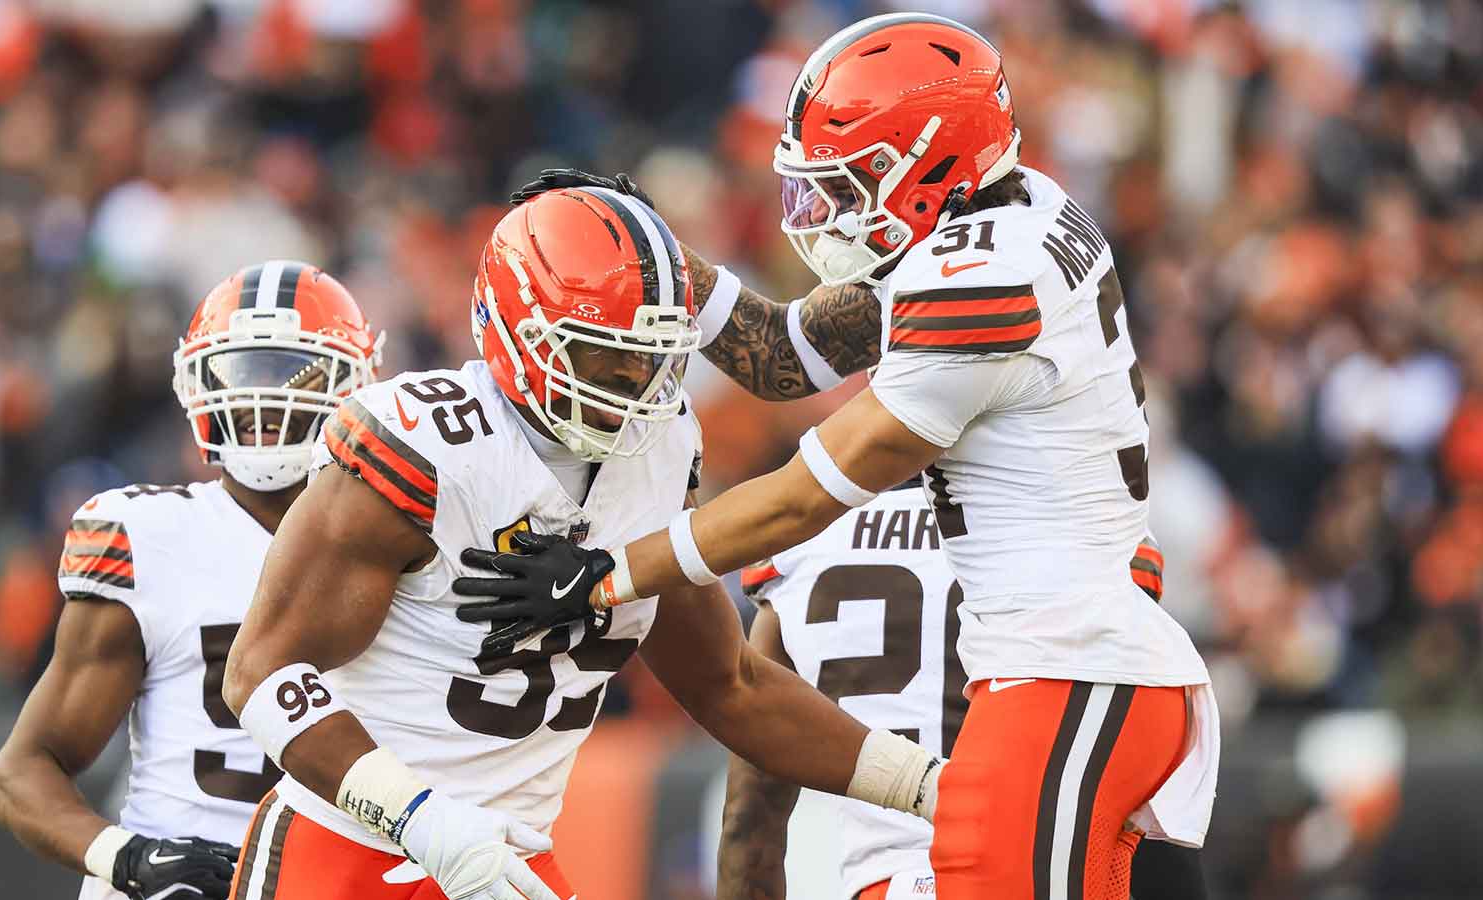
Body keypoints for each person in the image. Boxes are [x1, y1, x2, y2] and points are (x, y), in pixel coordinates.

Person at [455, 14, 1218, 900]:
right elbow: (784, 355)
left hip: (1072, 665)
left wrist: (602, 577)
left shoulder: (983, 280)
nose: (831, 211)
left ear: (932, 163)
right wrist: (652, 243)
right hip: (1063, 665)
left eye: (853, 183)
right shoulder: (1008, 212)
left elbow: (801, 500)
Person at [218, 188, 953, 900]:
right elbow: (259, 675)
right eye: (609, 356)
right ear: (518, 333)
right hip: (349, 856)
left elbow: (731, 685)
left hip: (513, 859)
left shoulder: (659, 453)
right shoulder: (426, 446)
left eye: (654, 355)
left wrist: (930, 788)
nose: (639, 382)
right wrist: (424, 820)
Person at [0, 262, 383, 900]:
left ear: (358, 388)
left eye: (292, 373)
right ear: (195, 383)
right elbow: (22, 769)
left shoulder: (406, 542)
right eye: (241, 374)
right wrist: (129, 858)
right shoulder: (151, 536)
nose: (263, 401)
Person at [717, 487, 1184, 900]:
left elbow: (749, 823)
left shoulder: (804, 540)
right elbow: (1137, 793)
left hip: (889, 882)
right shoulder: (1087, 530)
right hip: (1038, 876)